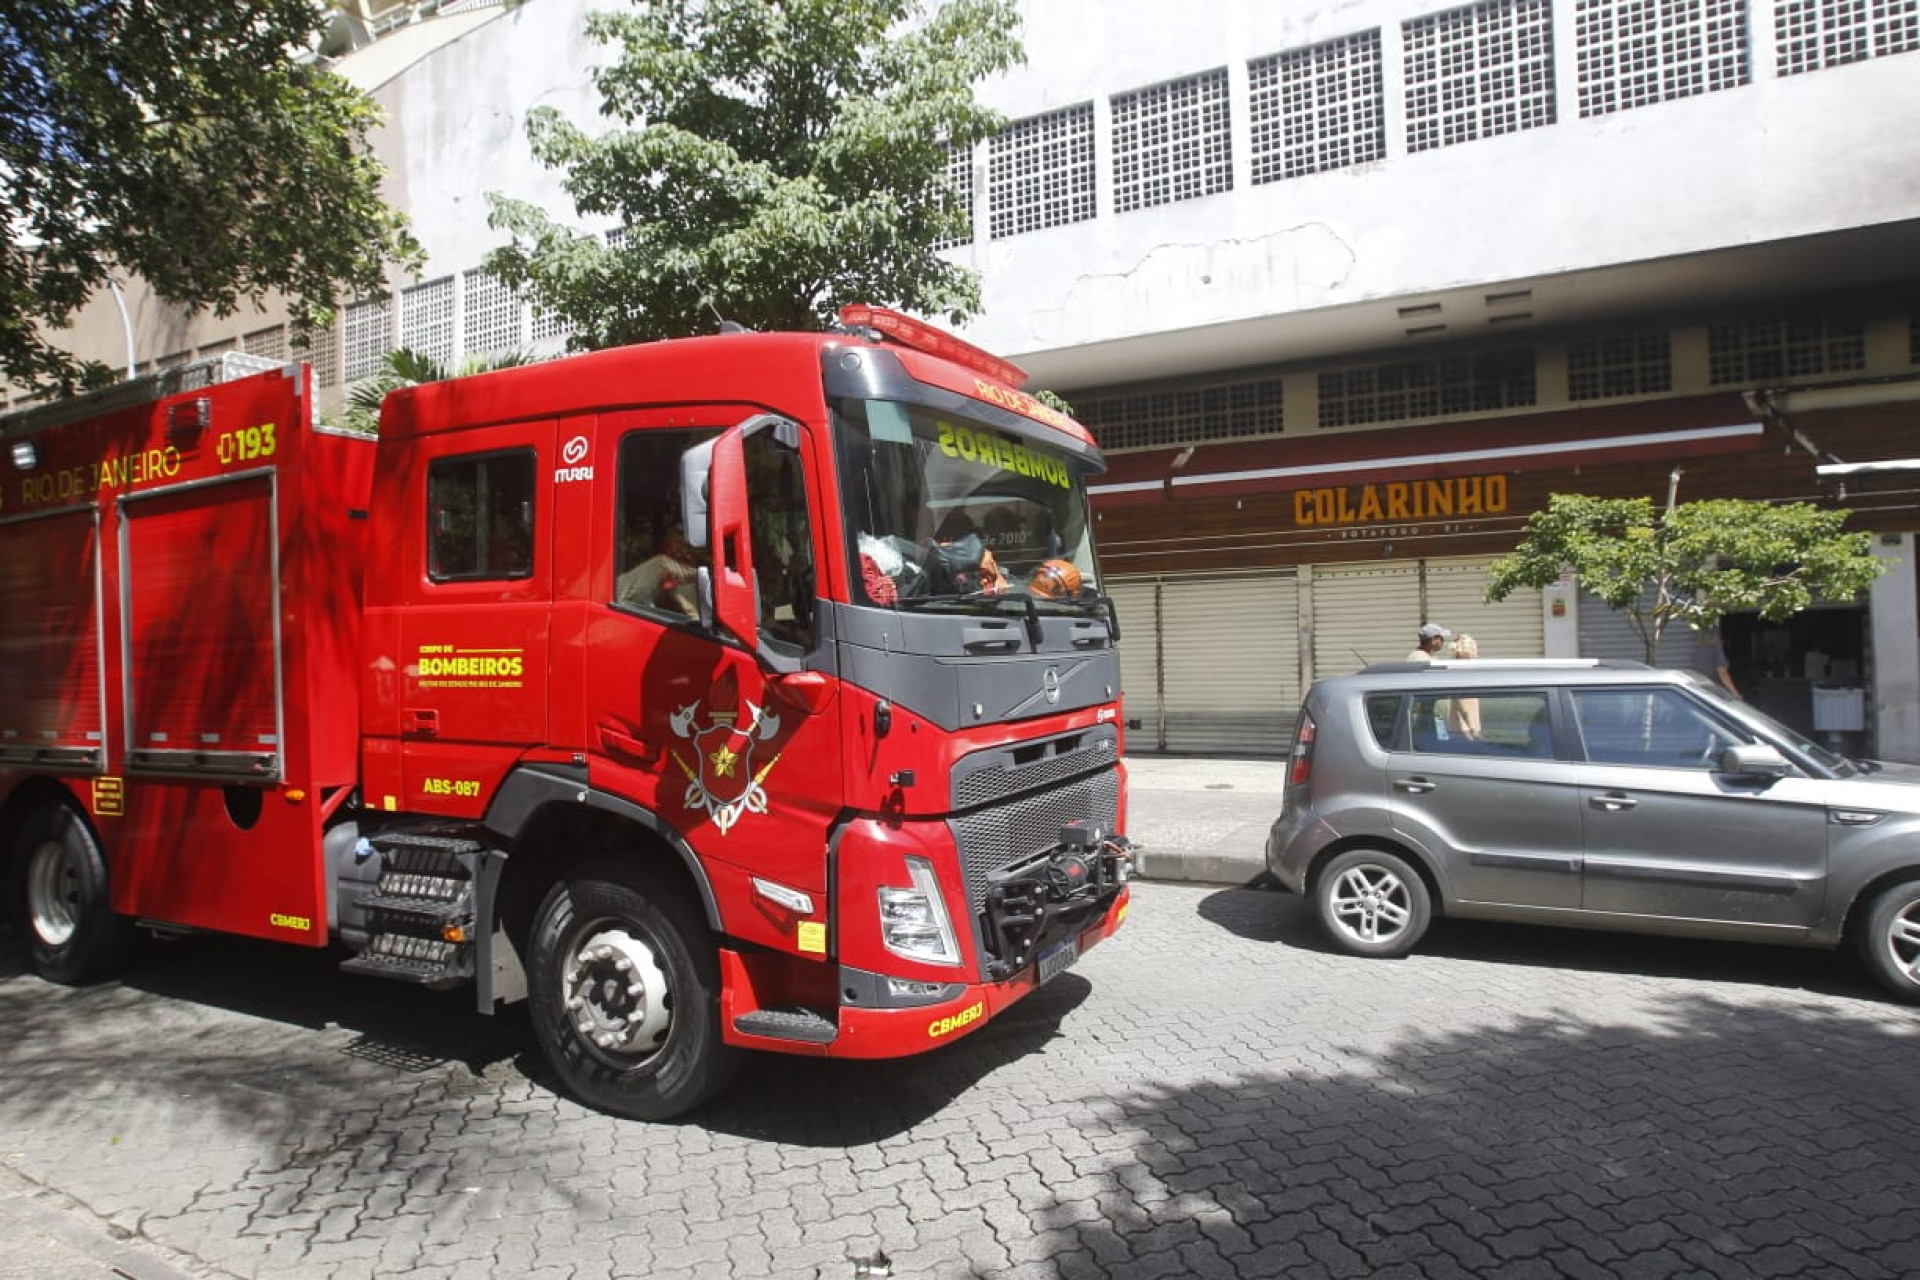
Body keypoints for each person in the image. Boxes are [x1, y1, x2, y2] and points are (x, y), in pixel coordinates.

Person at [617, 527, 698, 616]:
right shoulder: (656, 570)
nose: (685, 557)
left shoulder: (696, 587)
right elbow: (661, 565)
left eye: (687, 553)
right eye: (676, 552)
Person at [1686, 622, 1740, 697]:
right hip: (1715, 691)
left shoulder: (1697, 651)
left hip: (1701, 689)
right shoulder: (1715, 650)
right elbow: (1722, 673)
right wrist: (1735, 692)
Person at [1445, 633, 1482, 740]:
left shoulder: (1458, 675)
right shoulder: (1462, 678)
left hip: (1462, 730)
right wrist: (1474, 732)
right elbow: (1463, 708)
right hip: (1464, 732)